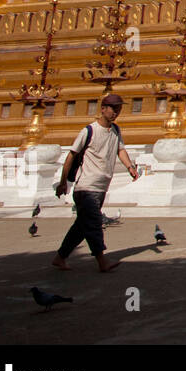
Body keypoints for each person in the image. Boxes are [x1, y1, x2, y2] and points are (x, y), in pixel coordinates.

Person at [52, 93, 138, 272]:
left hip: (102, 186)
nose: (116, 113)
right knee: (94, 222)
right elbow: (71, 156)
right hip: (85, 187)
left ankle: (60, 257)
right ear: (103, 109)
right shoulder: (89, 131)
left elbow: (120, 150)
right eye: (113, 109)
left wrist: (130, 167)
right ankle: (101, 260)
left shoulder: (115, 130)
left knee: (82, 226)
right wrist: (63, 182)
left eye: (118, 109)